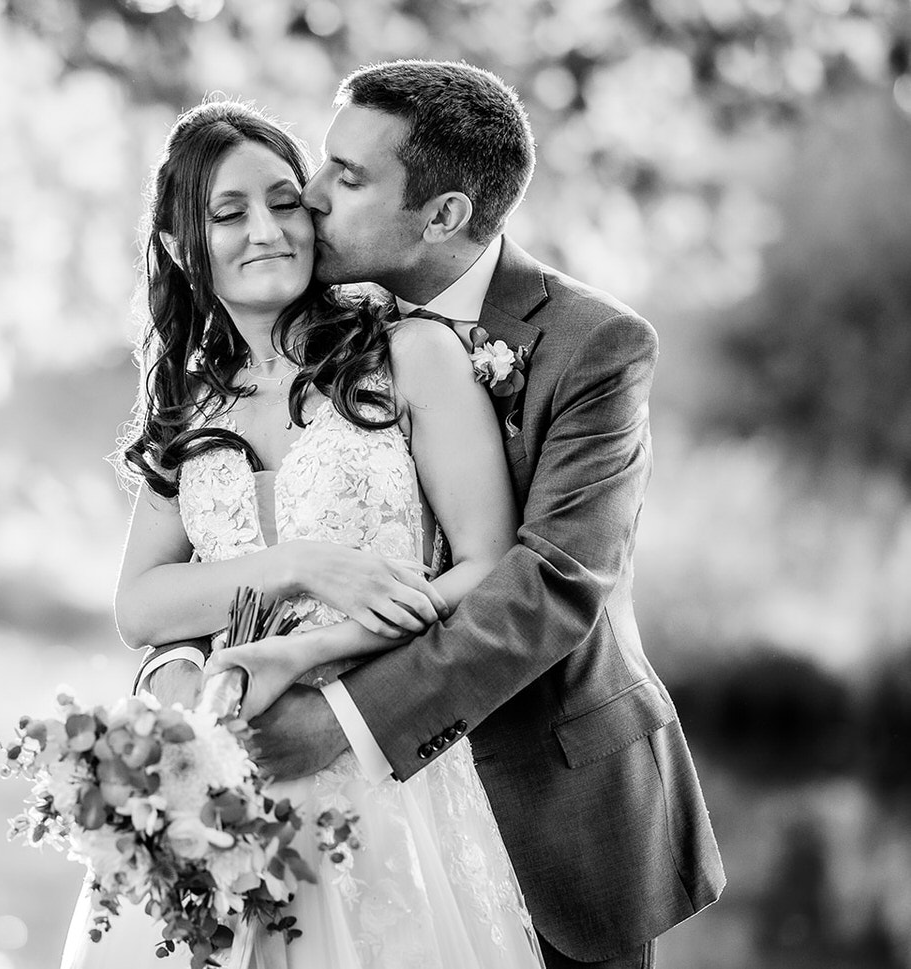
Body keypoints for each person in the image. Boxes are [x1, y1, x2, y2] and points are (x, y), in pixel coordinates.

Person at [143, 60, 727, 968]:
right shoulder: (302, 333)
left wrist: (335, 711)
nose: (311, 200)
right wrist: (184, 669)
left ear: (445, 215)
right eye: (322, 168)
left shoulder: (594, 346)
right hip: (311, 815)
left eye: (348, 177)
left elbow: (550, 585)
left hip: (551, 797)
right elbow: (208, 555)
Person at [63, 97, 545, 968]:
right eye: (229, 212)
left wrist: (316, 650)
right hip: (225, 789)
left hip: (382, 778)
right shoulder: (190, 406)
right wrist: (295, 568)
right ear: (181, 246)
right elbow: (140, 606)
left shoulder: (410, 357)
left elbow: (487, 567)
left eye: (285, 201)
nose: (268, 230)